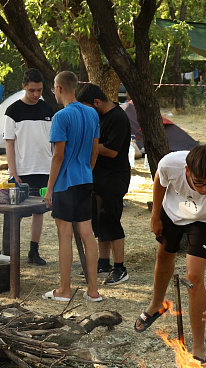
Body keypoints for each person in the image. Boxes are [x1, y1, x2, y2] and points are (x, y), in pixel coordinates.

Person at [133, 145, 206, 364]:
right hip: (172, 212)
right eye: (200, 183)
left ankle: (198, 346)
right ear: (187, 171)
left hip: (203, 220)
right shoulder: (171, 163)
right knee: (164, 255)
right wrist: (155, 214)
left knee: (194, 278)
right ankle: (157, 303)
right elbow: (160, 178)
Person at [42, 71, 101, 302]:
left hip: (65, 184)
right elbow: (95, 152)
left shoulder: (61, 117)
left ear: (58, 88)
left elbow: (58, 156)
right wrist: (86, 172)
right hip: (85, 179)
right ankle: (93, 290)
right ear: (75, 87)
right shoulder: (92, 114)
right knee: (88, 234)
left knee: (64, 235)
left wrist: (49, 189)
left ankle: (64, 290)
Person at [77, 83, 132, 285]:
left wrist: (87, 144)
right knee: (98, 221)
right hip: (98, 178)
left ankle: (120, 268)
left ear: (97, 102)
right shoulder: (97, 115)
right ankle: (103, 262)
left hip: (115, 178)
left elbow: (111, 150)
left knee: (111, 221)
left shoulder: (118, 118)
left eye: (87, 108)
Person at [4, 68, 55, 265]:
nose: (36, 94)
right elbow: (9, 142)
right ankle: (9, 251)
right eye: (32, 90)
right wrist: (13, 171)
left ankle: (34, 251)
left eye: (39, 90)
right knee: (15, 214)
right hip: (22, 170)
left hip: (45, 169)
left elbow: (53, 142)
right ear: (24, 87)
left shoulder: (48, 110)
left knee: (39, 212)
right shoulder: (13, 111)